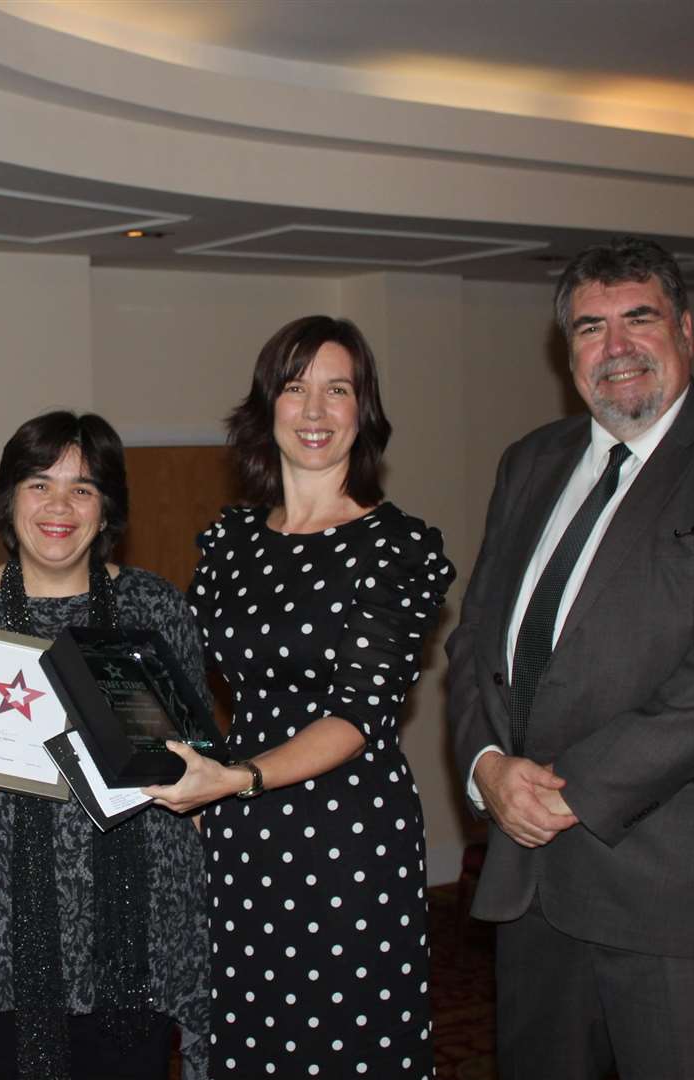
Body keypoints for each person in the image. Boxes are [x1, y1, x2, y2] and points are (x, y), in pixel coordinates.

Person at [446, 236, 694, 1079]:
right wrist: (487, 767)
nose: (615, 348)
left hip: (684, 895)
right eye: (589, 328)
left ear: (685, 328)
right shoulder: (530, 462)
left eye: (638, 319)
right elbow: (475, 638)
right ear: (565, 350)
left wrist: (568, 792)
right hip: (533, 882)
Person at [146, 315, 455, 1077]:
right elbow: (183, 676)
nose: (315, 412)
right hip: (240, 833)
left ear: (364, 411)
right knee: (248, 1037)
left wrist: (241, 777)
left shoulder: (397, 545)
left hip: (347, 829)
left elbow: (361, 714)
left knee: (343, 1043)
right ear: (267, 407)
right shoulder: (231, 539)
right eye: (295, 388)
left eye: (337, 390)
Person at [0, 411, 211, 1080]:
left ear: (108, 508)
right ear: (8, 499)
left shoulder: (157, 608)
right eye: (39, 484)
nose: (59, 506)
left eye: (83, 488)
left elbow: (199, 759)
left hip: (133, 940)